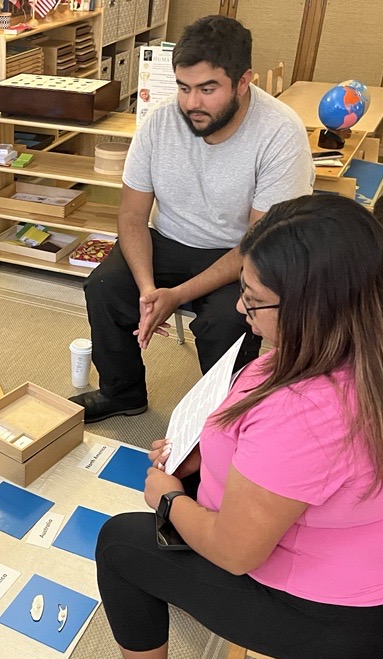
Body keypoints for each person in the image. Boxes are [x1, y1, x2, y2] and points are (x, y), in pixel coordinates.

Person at [77, 194, 383, 659]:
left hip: (344, 621)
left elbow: (236, 552)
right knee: (189, 489)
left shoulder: (309, 410)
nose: (238, 313)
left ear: (313, 306)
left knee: (123, 543)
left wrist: (167, 499)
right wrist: (203, 456)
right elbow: (289, 460)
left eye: (253, 302)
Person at [71, 15, 314, 423]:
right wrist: (150, 290)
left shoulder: (280, 133)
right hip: (170, 240)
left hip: (243, 253)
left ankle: (225, 420)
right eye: (184, 88)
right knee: (105, 287)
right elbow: (132, 215)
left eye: (207, 89)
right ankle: (122, 392)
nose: (191, 103)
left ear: (243, 81)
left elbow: (258, 243)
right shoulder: (160, 122)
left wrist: (177, 295)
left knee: (226, 321)